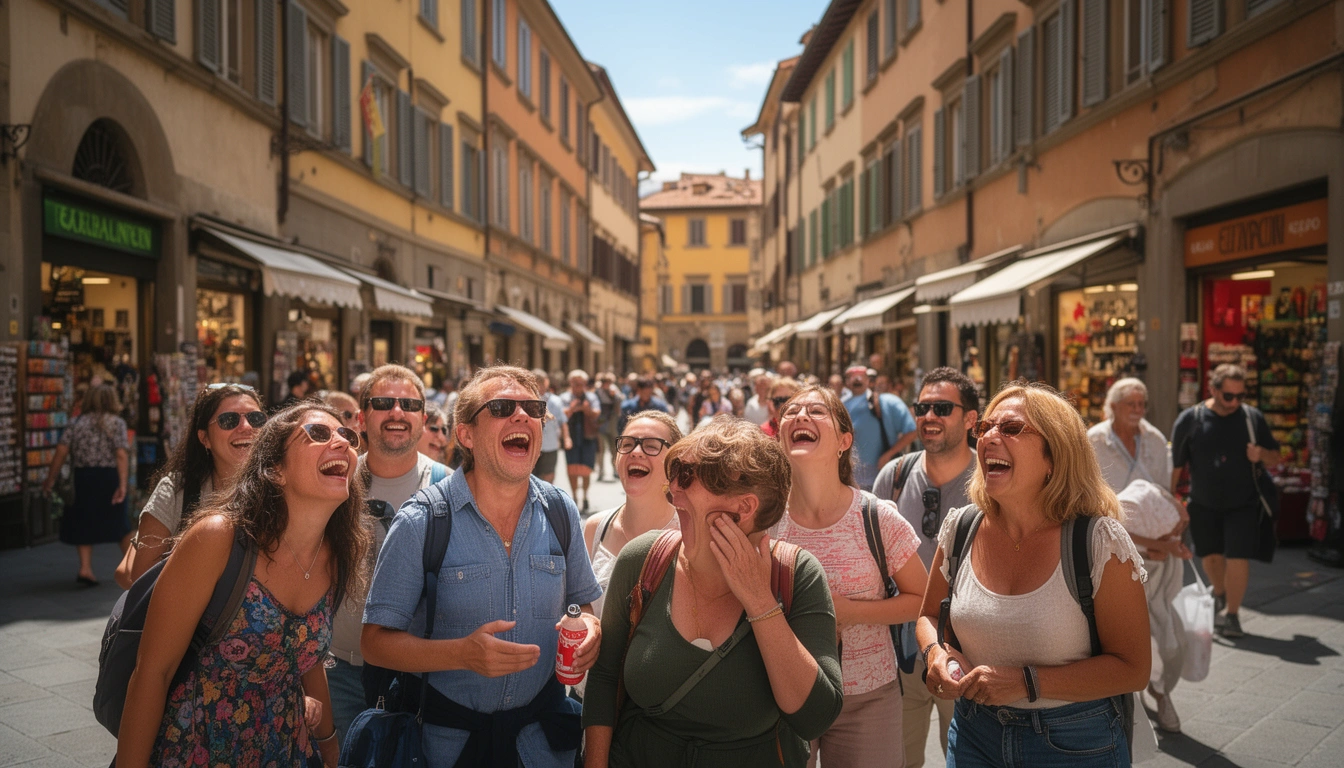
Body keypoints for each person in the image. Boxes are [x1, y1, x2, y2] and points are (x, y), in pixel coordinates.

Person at [361, 365, 603, 766]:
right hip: (445, 748)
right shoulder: (422, 520)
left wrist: (591, 627)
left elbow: (583, 604)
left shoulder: (560, 510)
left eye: (533, 408)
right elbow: (374, 642)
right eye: (503, 407)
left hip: (541, 748)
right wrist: (461, 654)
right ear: (466, 434)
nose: (522, 416)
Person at [115, 402, 368, 768]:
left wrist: (329, 745)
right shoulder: (218, 537)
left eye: (347, 435)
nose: (342, 443)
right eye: (318, 433)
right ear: (275, 470)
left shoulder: (335, 555)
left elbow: (307, 658)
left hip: (286, 752)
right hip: (197, 750)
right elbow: (153, 673)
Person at [582, 417, 844, 767]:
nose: (672, 488)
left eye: (687, 477)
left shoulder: (797, 575)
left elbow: (815, 718)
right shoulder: (643, 559)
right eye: (674, 473)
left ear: (745, 508)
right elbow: (603, 678)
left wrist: (759, 602)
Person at [918, 383, 1151, 768]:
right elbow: (928, 616)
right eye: (986, 428)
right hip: (974, 733)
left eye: (1010, 429)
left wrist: (1026, 683)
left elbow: (1133, 668)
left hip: (1075, 743)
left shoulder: (1098, 542)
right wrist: (935, 655)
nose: (989, 437)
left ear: (1054, 456)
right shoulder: (960, 527)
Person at [772, 386, 927, 768]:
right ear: (779, 435)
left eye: (815, 411)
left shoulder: (877, 517)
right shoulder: (764, 521)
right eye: (791, 411)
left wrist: (848, 612)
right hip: (781, 697)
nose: (800, 416)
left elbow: (922, 600)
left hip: (869, 698)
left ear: (844, 440)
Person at [327, 364, 447, 743]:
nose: (397, 412)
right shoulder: (332, 483)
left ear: (423, 419)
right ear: (362, 419)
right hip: (340, 673)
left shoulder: (449, 487)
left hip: (421, 675)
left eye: (408, 404)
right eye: (383, 403)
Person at [871, 367, 980, 767]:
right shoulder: (894, 477)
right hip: (901, 658)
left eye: (942, 408)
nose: (928, 416)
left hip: (970, 657)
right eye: (922, 407)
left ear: (970, 420)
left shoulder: (990, 482)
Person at [1088, 377, 1187, 732]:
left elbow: (1163, 492)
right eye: (1130, 404)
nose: (1137, 411)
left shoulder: (1157, 440)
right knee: (1118, 630)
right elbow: (1090, 498)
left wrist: (1170, 531)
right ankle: (1126, 702)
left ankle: (1161, 693)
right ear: (1112, 406)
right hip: (1110, 545)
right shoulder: (1093, 440)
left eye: (1141, 404)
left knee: (1163, 626)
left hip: (1158, 549)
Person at [115, 384, 266, 588]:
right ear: (204, 438)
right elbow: (143, 581)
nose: (246, 427)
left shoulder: (283, 486)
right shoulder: (178, 490)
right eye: (229, 420)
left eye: (256, 419)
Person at [576, 410, 683, 698]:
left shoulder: (691, 535)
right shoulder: (595, 528)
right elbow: (581, 605)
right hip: (588, 699)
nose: (636, 452)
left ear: (675, 463)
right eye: (627, 443)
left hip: (653, 710)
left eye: (651, 445)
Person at [1171, 363, 1281, 640]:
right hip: (1203, 503)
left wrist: (1261, 455)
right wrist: (1171, 501)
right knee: (1211, 557)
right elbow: (1176, 465)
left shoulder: (1251, 418)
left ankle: (1232, 615)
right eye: (1228, 396)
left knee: (1237, 556)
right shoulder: (1191, 419)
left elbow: (1275, 456)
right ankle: (1219, 594)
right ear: (1213, 389)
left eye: (1240, 396)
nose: (1234, 402)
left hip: (1243, 503)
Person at [42, 384, 131, 586]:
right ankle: (135, 567)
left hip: (82, 478)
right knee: (121, 524)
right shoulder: (116, 423)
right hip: (109, 477)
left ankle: (85, 568)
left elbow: (61, 452)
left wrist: (50, 478)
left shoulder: (76, 423)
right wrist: (123, 484)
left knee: (83, 520)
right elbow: (120, 454)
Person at [844, 365, 916, 492]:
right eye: (852, 377)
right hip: (849, 482)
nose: (857, 380)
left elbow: (912, 431)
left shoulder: (888, 402)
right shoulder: (840, 405)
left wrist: (888, 455)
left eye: (861, 377)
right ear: (847, 382)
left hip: (883, 479)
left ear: (868, 380)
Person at [561, 370, 603, 512]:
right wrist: (572, 409)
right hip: (571, 437)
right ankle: (574, 497)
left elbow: (597, 413)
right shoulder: (565, 397)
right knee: (572, 468)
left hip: (587, 437)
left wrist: (585, 410)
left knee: (586, 469)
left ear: (585, 384)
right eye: (574, 383)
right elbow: (561, 415)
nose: (577, 386)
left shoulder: (591, 397)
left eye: (580, 383)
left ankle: (585, 495)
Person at [532, 369, 571, 484]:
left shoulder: (556, 401)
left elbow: (562, 421)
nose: (540, 386)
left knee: (549, 474)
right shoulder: (526, 399)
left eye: (541, 382)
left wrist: (567, 438)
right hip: (532, 444)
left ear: (546, 383)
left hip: (550, 444)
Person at [595, 373, 623, 482]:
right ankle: (601, 471)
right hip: (601, 423)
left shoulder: (615, 391)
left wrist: (614, 395)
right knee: (600, 449)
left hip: (612, 424)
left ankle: (615, 470)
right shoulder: (597, 392)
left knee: (614, 449)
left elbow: (620, 403)